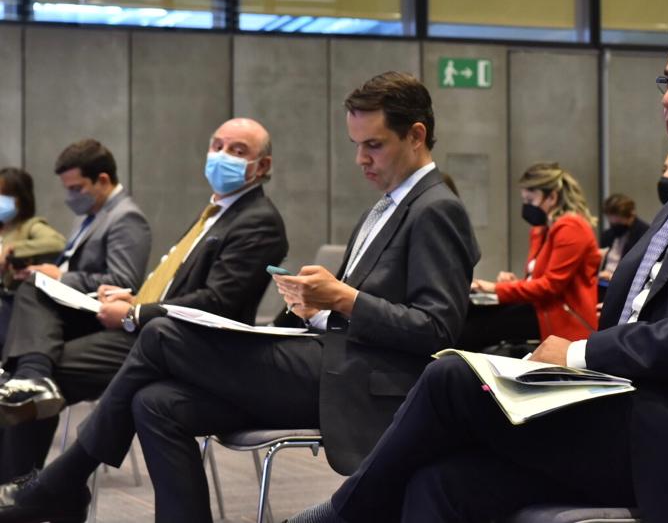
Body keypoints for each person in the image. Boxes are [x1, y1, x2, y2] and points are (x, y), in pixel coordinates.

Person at [285, 8, 668, 523]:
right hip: (637, 412)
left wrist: (578, 354)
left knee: (453, 379)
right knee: (442, 482)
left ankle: (343, 515)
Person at [0, 71, 479, 523]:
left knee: (162, 334)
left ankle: (62, 481)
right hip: (329, 356)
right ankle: (67, 486)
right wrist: (313, 308)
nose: (361, 159)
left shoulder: (436, 208)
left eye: (374, 145)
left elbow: (437, 329)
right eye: (356, 145)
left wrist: (343, 299)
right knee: (155, 402)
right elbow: (355, 309)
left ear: (416, 136)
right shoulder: (388, 205)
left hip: (359, 379)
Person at [0, 118, 288, 480]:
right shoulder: (216, 212)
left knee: (35, 375)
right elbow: (178, 286)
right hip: (153, 327)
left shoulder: (257, 220)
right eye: (217, 146)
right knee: (28, 352)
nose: (221, 156)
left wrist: (135, 312)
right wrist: (135, 298)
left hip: (182, 344)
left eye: (237, 150)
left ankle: (26, 487)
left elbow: (218, 302)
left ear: (262, 166)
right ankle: (29, 483)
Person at [0, 139, 151, 428]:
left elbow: (123, 282)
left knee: (33, 289)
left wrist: (59, 277)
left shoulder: (126, 217)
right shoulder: (90, 216)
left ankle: (33, 374)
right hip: (62, 309)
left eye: (76, 188)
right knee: (19, 296)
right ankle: (25, 374)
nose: (70, 196)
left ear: (102, 180)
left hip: (96, 316)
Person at [472, 163, 601, 342]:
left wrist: (495, 288)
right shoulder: (541, 229)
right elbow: (538, 281)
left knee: (475, 327)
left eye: (530, 201)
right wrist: (516, 283)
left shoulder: (572, 228)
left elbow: (550, 286)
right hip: (542, 313)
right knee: (473, 315)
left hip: (565, 323)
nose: (526, 206)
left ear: (552, 197)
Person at [0, 168, 66, 350]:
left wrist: (15, 249)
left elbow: (58, 243)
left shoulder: (31, 225)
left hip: (13, 300)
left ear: (21, 198)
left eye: (4, 195)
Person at [598, 193, 649, 282]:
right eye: (612, 224)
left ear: (631, 216)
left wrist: (612, 277)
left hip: (624, 283)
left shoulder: (644, 235)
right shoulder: (607, 235)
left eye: (619, 223)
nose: (615, 227)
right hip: (603, 281)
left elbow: (640, 269)